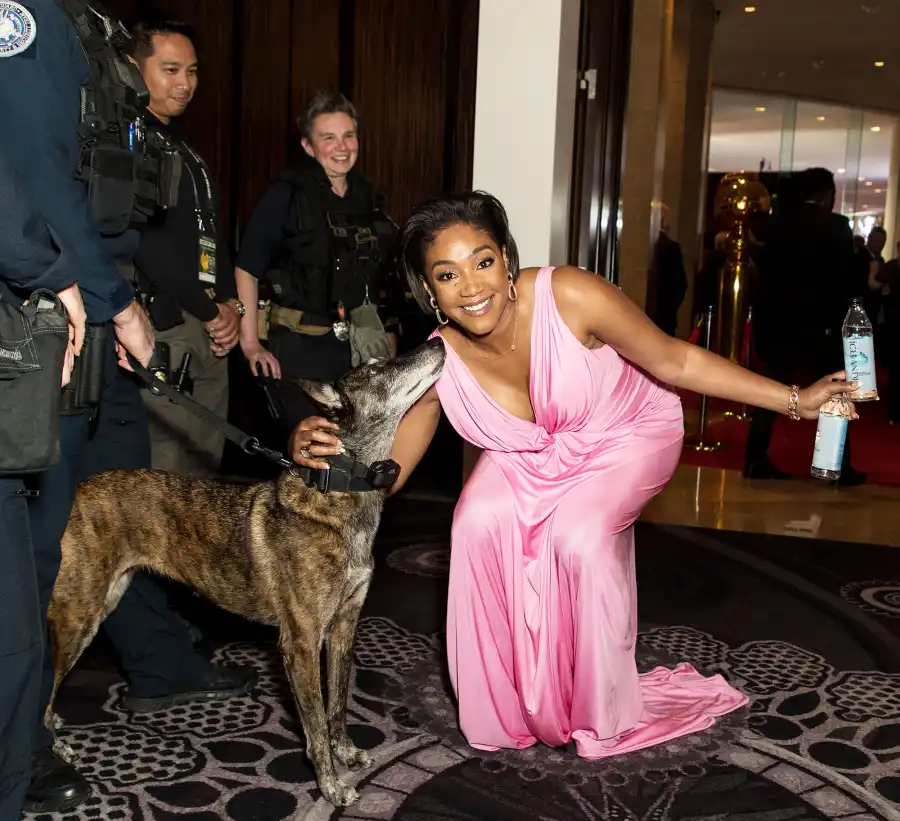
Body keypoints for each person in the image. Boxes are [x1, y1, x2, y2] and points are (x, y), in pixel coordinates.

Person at [289, 191, 854, 759]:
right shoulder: (437, 361)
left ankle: (597, 712)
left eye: (483, 261)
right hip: (530, 457)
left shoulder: (570, 295)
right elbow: (388, 475)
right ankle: (510, 710)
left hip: (624, 433)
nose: (472, 287)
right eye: (447, 275)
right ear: (428, 290)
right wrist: (320, 455)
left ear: (507, 260)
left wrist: (794, 401)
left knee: (578, 537)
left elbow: (673, 360)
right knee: (475, 522)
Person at [0, 1, 254, 813]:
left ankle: (161, 665)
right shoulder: (29, 17)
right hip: (63, 316)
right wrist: (112, 302)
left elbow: (107, 185)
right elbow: (37, 171)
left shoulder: (92, 24)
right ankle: (21, 747)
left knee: (132, 508)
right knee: (35, 555)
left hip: (99, 313)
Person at [234, 90, 401, 437]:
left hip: (355, 354)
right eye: (328, 138)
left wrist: (387, 337)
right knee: (308, 454)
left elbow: (381, 275)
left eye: (348, 135)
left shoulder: (368, 198)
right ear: (309, 147)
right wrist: (250, 343)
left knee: (353, 455)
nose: (341, 147)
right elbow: (246, 267)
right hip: (299, 350)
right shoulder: (285, 195)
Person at [127, 16, 242, 475]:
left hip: (209, 324)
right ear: (135, 69)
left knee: (203, 466)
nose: (186, 83)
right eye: (171, 70)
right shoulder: (129, 140)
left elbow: (210, 233)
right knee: (167, 476)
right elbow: (143, 241)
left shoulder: (184, 147)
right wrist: (211, 311)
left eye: (192, 71)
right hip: (168, 325)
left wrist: (230, 304)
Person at [744, 167, 865, 485]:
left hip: (783, 323)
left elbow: (766, 278)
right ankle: (836, 465)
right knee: (835, 392)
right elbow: (843, 280)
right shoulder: (837, 226)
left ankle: (755, 458)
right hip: (821, 325)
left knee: (772, 392)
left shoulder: (779, 225)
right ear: (827, 193)